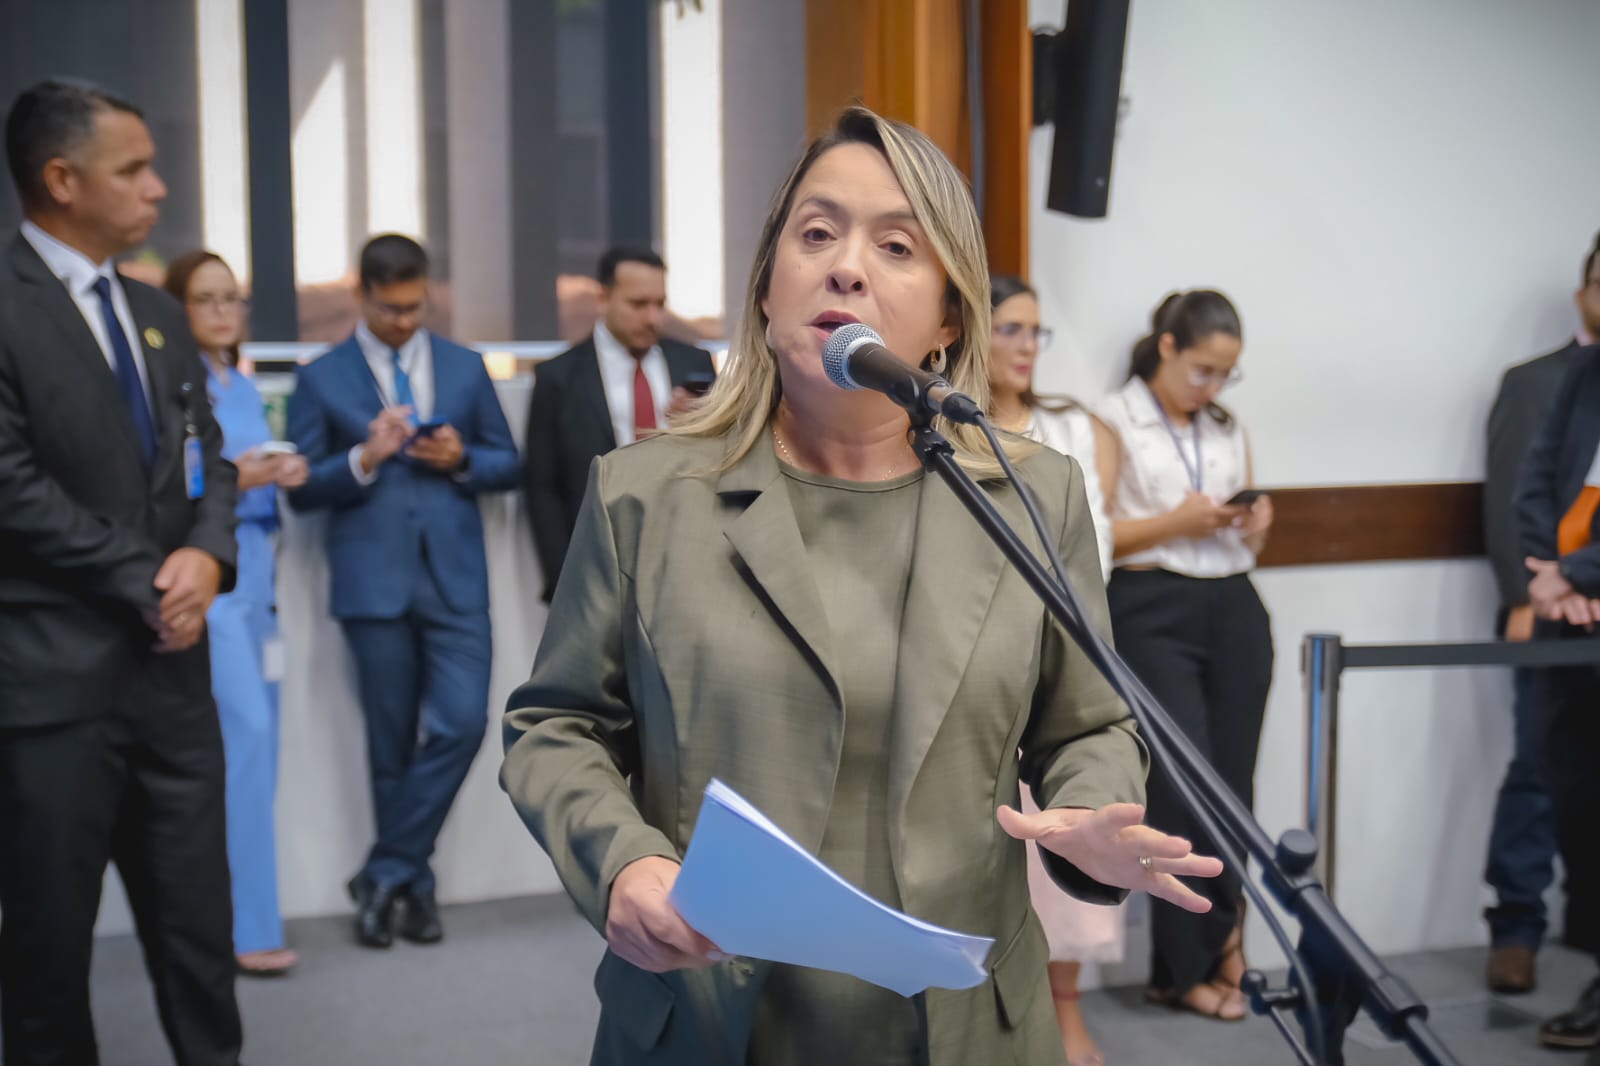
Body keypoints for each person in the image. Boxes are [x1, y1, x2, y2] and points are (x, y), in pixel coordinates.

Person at [502, 105, 1224, 1066]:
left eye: (896, 246)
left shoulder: (1032, 495)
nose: (846, 267)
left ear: (948, 317)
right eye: (815, 234)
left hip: (963, 1021)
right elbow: (558, 724)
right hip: (713, 1011)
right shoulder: (643, 494)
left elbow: (1088, 723)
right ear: (767, 288)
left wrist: (1089, 814)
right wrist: (622, 860)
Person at [0, 80, 243, 1064]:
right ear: (62, 179)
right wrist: (152, 578)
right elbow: (10, 486)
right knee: (49, 954)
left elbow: (208, 457)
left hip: (173, 687)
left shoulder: (155, 311)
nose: (158, 187)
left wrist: (209, 555)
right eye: (133, 169)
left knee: (201, 940)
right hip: (54, 686)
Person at [287, 234, 521, 948]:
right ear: (361, 295)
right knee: (388, 748)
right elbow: (302, 487)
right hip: (372, 583)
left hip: (455, 581)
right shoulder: (321, 377)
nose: (403, 320)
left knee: (463, 724)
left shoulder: (465, 366)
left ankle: (383, 872)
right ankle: (412, 892)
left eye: (415, 307)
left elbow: (507, 461)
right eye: (390, 308)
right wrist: (365, 457)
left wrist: (460, 458)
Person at [1094, 290, 1274, 1022]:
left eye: (1226, 374)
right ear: (1167, 347)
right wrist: (1177, 521)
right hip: (1150, 604)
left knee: (1235, 785)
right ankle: (1187, 965)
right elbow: (1096, 533)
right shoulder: (1112, 417)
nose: (1212, 387)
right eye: (1203, 369)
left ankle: (1225, 947)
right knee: (1178, 787)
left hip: (1233, 602)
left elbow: (1253, 540)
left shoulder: (1225, 425)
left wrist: (1254, 520)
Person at [164, 249, 309, 977]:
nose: (224, 311)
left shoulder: (242, 385)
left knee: (262, 754)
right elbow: (172, 483)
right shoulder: (176, 385)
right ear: (178, 309)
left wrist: (284, 471)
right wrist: (240, 477)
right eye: (206, 298)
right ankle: (242, 928)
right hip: (213, 586)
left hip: (261, 586)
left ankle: (249, 920)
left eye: (232, 297)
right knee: (242, 746)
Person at [988, 274, 1121, 1066]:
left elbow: (1105, 539)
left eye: (1035, 331)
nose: (1026, 346)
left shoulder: (1075, 427)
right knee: (1001, 832)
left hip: (1079, 638)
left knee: (1076, 815)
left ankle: (1065, 1009)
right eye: (1009, 328)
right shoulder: (940, 425)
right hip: (995, 645)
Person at [1479, 234, 1599, 995]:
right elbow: (1516, 491)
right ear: (1583, 290)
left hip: (1584, 588)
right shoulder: (1547, 379)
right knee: (1539, 768)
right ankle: (1517, 926)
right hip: (1552, 612)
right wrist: (1537, 592)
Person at [522, 246, 715, 602]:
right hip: (595, 561)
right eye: (638, 304)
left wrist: (700, 424)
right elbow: (542, 487)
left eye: (660, 304)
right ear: (603, 298)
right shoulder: (558, 377)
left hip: (685, 555)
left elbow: (723, 459)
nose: (653, 318)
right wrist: (562, 579)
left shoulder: (694, 363)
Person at [1515, 336, 1600, 1051]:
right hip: (1569, 622)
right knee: (1579, 806)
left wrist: (1582, 574)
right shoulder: (1588, 369)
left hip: (1580, 586)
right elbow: (1536, 477)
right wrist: (1553, 575)